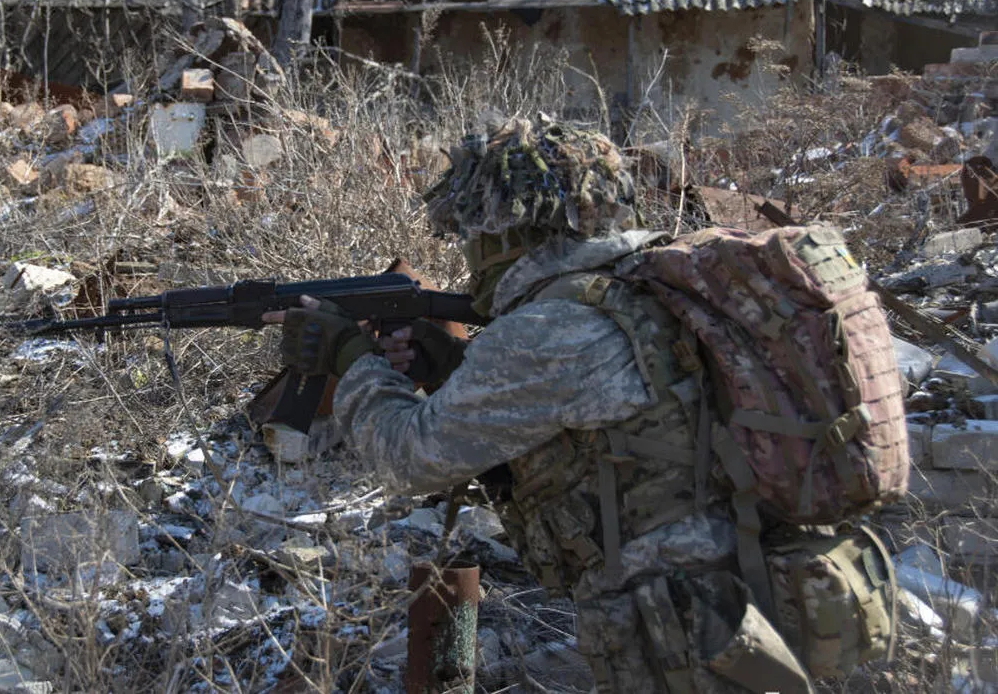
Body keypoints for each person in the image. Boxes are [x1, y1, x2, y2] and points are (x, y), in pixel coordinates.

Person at [265, 116, 816, 694]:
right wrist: (453, 364)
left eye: (476, 232)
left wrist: (350, 357)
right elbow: (588, 420)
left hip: (683, 628)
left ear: (511, 230)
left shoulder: (550, 328)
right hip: (744, 586)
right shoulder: (637, 283)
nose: (471, 253)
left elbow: (409, 458)